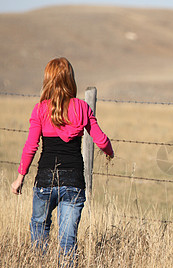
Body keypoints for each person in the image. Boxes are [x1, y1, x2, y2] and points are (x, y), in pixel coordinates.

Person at [10, 57, 114, 266]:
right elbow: (101, 140)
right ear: (70, 80)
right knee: (68, 240)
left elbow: (31, 146)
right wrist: (109, 153)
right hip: (73, 182)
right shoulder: (82, 107)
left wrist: (20, 178)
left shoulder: (40, 109)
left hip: (45, 181)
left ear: (47, 80)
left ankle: (38, 262)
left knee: (39, 226)